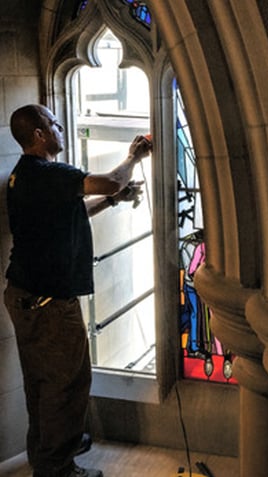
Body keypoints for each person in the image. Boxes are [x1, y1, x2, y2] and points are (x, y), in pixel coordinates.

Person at [4, 104, 151, 477]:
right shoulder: (48, 173)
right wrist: (133, 157)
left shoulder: (26, 177)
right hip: (49, 303)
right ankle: (58, 467)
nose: (61, 127)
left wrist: (113, 202)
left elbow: (72, 214)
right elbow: (110, 181)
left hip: (26, 296)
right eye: (54, 123)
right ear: (39, 134)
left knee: (41, 381)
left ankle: (47, 452)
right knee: (65, 382)